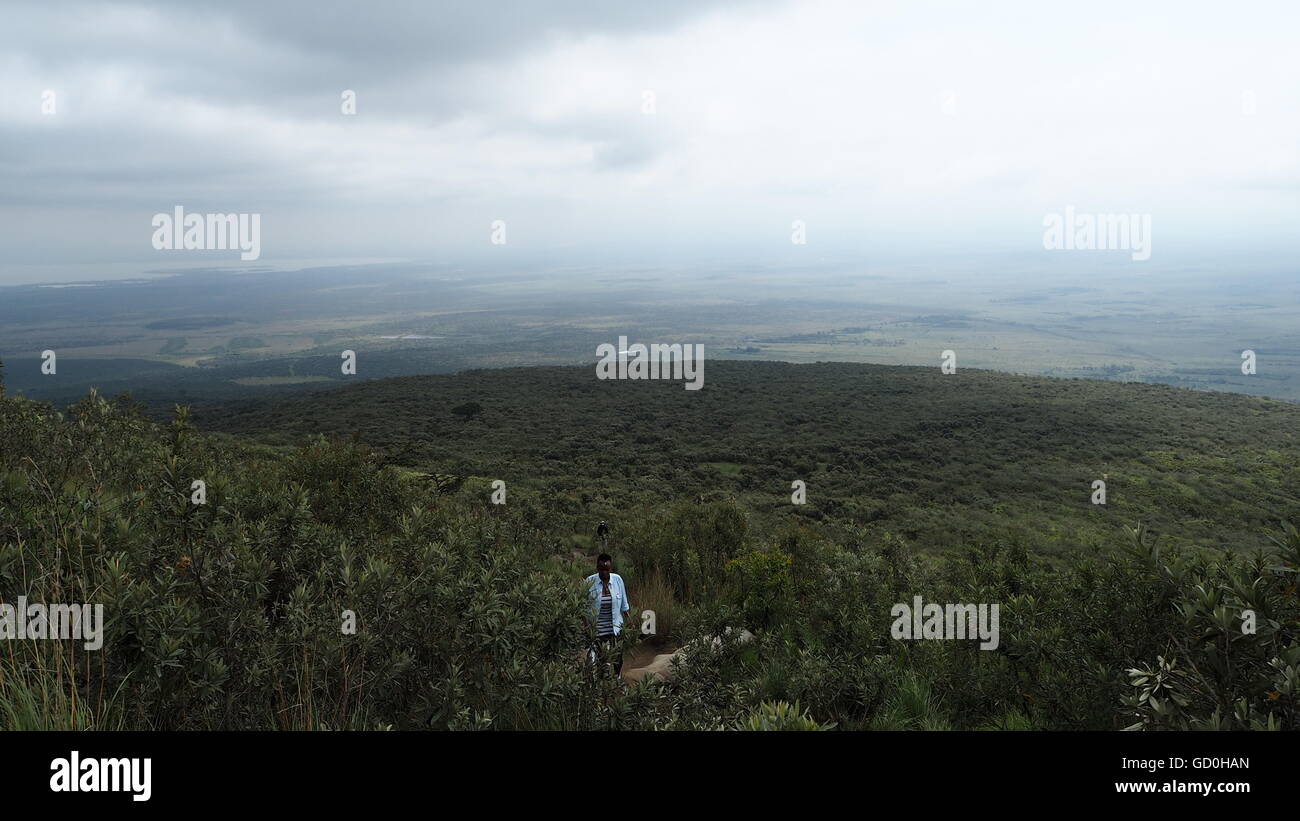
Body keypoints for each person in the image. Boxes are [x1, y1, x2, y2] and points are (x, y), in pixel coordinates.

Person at [585, 553, 630, 676]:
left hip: (615, 626)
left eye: (607, 569)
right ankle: (602, 684)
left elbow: (624, 606)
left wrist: (629, 627)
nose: (605, 572)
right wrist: (586, 627)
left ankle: (617, 680)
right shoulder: (589, 582)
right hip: (598, 628)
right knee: (602, 659)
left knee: (618, 657)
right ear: (597, 568)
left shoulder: (617, 580)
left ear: (611, 568)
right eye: (602, 569)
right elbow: (582, 607)